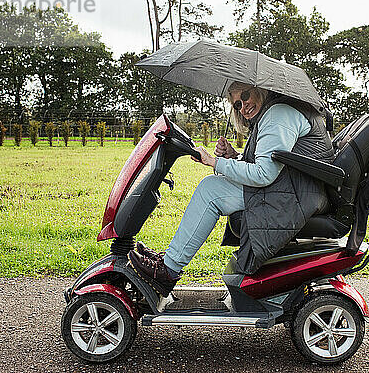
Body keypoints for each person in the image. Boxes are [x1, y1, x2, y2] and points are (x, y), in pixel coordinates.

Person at [128, 81, 334, 296]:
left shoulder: (278, 116)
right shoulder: (277, 111)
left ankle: (168, 271)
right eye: (237, 104)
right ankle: (170, 261)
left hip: (294, 195)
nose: (243, 106)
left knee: (210, 191)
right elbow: (273, 162)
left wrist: (215, 162)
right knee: (212, 187)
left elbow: (264, 174)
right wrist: (233, 156)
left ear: (260, 88)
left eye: (245, 96)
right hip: (295, 189)